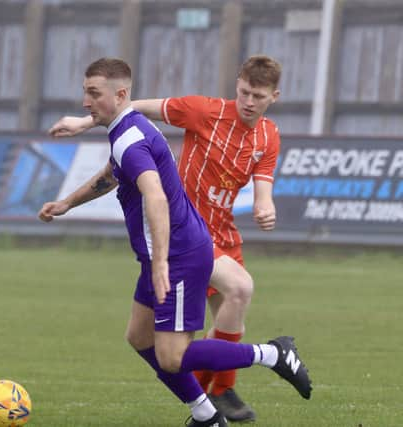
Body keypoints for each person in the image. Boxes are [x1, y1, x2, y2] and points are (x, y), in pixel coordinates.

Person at [39, 57, 310, 427]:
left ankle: (273, 355)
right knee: (139, 336)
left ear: (119, 94)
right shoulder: (130, 128)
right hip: (174, 248)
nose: (85, 102)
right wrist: (67, 202)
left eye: (92, 94)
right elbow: (112, 174)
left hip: (179, 253)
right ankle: (207, 414)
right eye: (85, 93)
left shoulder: (131, 141)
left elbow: (156, 196)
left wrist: (163, 262)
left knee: (173, 355)